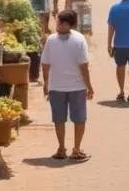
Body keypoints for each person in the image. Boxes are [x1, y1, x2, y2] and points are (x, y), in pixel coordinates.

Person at [42, 10, 94, 162]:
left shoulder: (75, 40)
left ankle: (75, 149)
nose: (57, 24)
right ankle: (62, 148)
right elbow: (45, 65)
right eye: (58, 21)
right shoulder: (56, 40)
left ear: (69, 24)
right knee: (61, 119)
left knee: (76, 119)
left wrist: (89, 86)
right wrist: (46, 84)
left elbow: (84, 66)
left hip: (74, 86)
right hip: (62, 87)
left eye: (61, 22)